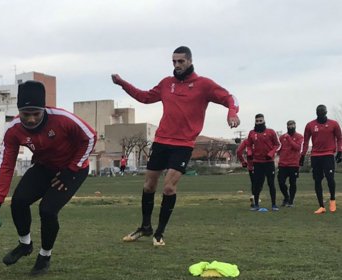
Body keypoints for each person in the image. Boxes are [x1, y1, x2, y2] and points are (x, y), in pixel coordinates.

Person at [111, 46, 240, 246]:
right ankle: (145, 227)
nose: (177, 65)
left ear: (189, 61)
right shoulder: (166, 83)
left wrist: (231, 112)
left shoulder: (203, 84)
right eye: (174, 62)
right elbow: (144, 97)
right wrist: (122, 83)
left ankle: (159, 234)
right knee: (148, 186)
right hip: (161, 141)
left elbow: (230, 97)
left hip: (183, 145)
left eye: (181, 61)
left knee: (169, 188)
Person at [0, 80, 96, 275]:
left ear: (44, 109)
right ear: (19, 111)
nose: (32, 119)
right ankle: (25, 245)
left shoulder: (62, 118)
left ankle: (44, 256)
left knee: (48, 210)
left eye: (37, 113)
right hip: (45, 166)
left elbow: (91, 137)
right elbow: (6, 165)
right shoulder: (13, 129)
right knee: (18, 201)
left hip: (72, 170)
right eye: (27, 114)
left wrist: (71, 170)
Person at [300, 104, 342, 214]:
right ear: (316, 112)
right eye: (319, 111)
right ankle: (321, 206)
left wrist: (340, 151)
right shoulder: (310, 125)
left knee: (330, 178)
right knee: (317, 180)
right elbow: (305, 141)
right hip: (315, 156)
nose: (321, 113)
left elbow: (339, 138)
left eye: (323, 111)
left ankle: (332, 200)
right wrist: (303, 155)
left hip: (328, 155)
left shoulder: (334, 124)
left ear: (326, 112)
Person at [237, 114, 280, 211]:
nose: (259, 123)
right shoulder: (252, 133)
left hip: (269, 162)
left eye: (261, 121)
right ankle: (256, 204)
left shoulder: (271, 132)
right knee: (257, 184)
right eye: (257, 121)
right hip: (257, 162)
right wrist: (250, 152)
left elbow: (277, 145)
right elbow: (248, 145)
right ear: (255, 122)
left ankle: (274, 204)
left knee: (271, 183)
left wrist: (271, 153)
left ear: (264, 121)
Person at [277, 120, 303, 207]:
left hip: (293, 164)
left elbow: (297, 148)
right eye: (289, 125)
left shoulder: (299, 136)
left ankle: (291, 201)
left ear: (295, 126)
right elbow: (278, 149)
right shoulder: (282, 137)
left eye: (292, 125)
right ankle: (286, 197)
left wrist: (289, 139)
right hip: (283, 164)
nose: (290, 127)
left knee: (293, 183)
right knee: (281, 182)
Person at [236, 137, 256, 208]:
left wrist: (243, 162)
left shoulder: (246, 140)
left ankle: (254, 196)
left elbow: (238, 151)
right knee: (260, 182)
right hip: (261, 163)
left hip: (251, 166)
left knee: (254, 182)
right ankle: (255, 197)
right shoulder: (262, 138)